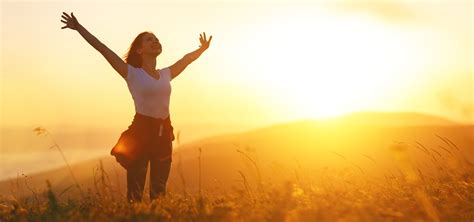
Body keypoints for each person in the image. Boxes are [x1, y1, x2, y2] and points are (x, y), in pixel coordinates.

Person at [60, 12, 212, 202]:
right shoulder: (131, 73)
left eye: (156, 39)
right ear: (139, 50)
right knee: (135, 194)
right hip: (140, 134)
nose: (155, 41)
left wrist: (202, 49)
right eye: (149, 40)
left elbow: (185, 60)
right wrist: (79, 28)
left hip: (164, 134)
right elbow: (102, 49)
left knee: (159, 193)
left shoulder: (166, 74)